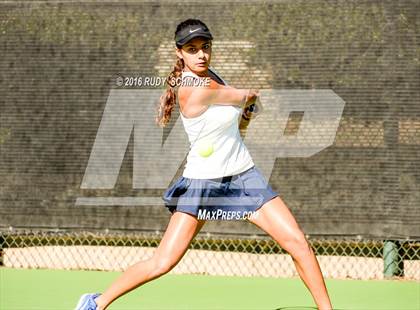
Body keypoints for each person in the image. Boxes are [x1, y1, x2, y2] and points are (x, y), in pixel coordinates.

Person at [75, 18, 333, 310]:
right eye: (192, 49)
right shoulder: (191, 88)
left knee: (298, 243)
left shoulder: (214, 77)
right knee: (163, 262)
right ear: (179, 53)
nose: (201, 54)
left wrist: (244, 120)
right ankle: (96, 302)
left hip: (243, 178)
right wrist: (248, 101)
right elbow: (248, 98)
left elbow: (246, 107)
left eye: (205, 47)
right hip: (202, 184)